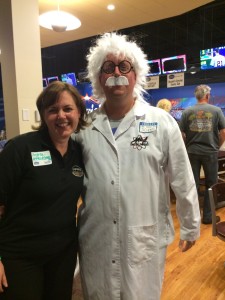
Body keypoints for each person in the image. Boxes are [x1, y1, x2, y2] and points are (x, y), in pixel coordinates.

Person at [74, 32, 201, 300]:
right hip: (97, 236)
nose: (117, 73)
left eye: (124, 66)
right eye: (108, 68)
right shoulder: (84, 127)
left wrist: (190, 224)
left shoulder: (161, 122)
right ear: (99, 78)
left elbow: (182, 176)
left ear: (136, 74)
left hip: (143, 235)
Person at [0, 81, 87, 300]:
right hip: (20, 257)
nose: (61, 116)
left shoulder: (80, 151)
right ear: (43, 115)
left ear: (79, 112)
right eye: (52, 110)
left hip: (62, 256)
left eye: (67, 109)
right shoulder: (20, 149)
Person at [180, 84, 225, 224]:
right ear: (207, 95)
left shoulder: (187, 111)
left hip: (191, 152)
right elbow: (223, 132)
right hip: (210, 152)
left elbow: (181, 134)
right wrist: (217, 146)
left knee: (192, 184)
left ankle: (192, 218)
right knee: (211, 184)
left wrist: (187, 146)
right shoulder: (216, 110)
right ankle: (208, 216)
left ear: (196, 96)